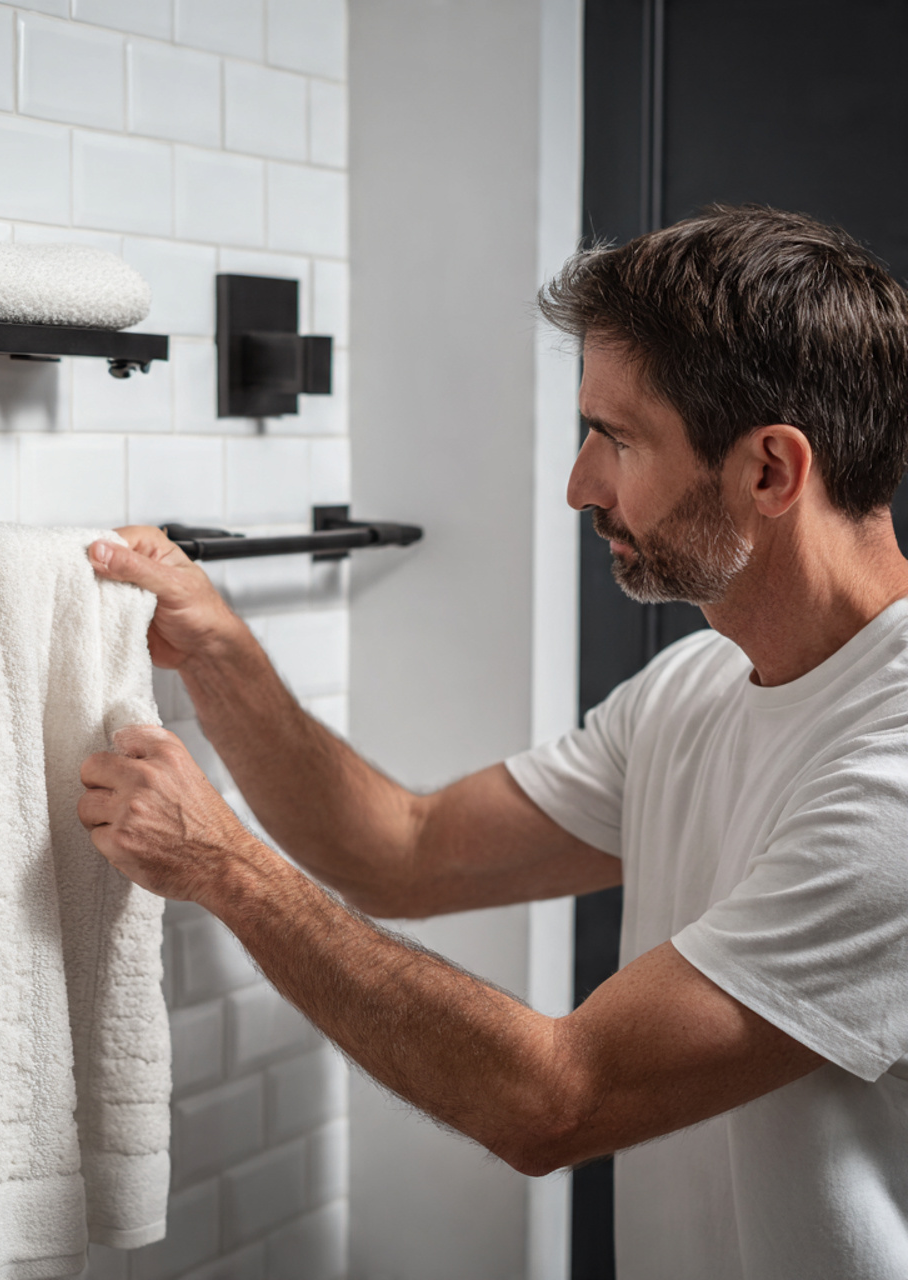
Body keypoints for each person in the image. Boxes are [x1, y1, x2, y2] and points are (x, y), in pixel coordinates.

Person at [76, 207, 908, 1280]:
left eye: (617, 439)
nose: (579, 484)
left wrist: (226, 868)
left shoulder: (889, 780)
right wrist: (219, 650)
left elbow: (556, 1100)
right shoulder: (694, 688)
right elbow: (403, 850)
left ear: (770, 471)